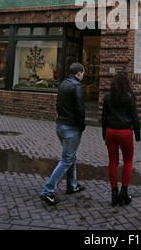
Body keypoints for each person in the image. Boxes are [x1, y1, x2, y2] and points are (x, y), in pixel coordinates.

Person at [40, 62, 86, 205]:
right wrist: (82, 125)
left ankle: (72, 185)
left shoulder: (63, 84)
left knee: (71, 156)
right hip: (71, 127)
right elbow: (79, 108)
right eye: (83, 73)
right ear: (79, 73)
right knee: (67, 159)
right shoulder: (77, 86)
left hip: (60, 125)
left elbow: (58, 104)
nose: (83, 75)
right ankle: (47, 191)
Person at [102, 72, 140, 207]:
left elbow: (104, 118)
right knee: (128, 161)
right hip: (125, 132)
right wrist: (137, 134)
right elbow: (135, 117)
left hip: (111, 132)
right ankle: (124, 191)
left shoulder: (107, 97)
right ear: (126, 84)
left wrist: (104, 133)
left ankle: (114, 192)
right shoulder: (129, 97)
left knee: (112, 162)